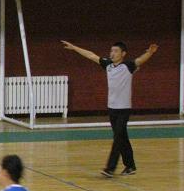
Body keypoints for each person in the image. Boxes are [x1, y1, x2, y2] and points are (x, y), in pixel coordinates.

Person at [61, 40, 158, 177]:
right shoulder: (107, 65)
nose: (112, 53)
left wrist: (150, 53)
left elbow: (140, 60)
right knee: (122, 137)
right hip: (112, 108)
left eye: (116, 51)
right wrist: (74, 47)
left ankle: (110, 168)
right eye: (111, 51)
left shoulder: (128, 66)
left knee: (117, 138)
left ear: (123, 54)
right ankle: (130, 166)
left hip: (124, 109)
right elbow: (91, 55)